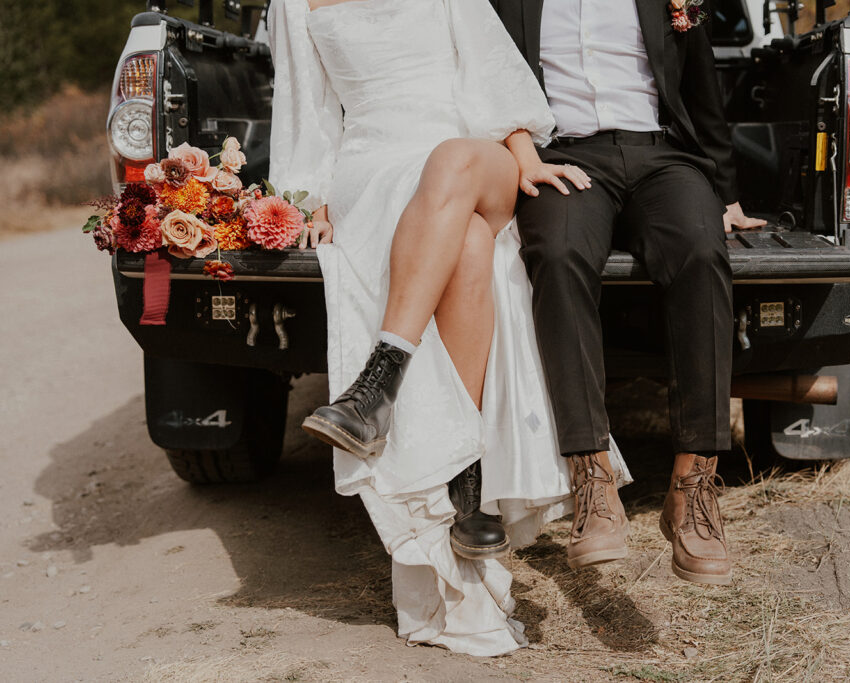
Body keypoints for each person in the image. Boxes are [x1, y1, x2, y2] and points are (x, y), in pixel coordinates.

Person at [267, 0, 629, 656]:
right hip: (371, 165)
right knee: (464, 245)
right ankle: (466, 485)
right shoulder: (293, 2)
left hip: (472, 154)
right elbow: (305, 109)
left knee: (451, 163)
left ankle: (378, 383)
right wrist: (308, 199)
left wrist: (524, 156)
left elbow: (491, 67)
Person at [488, 0, 767, 586]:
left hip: (661, 154)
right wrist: (519, 159)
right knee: (558, 257)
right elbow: (486, 75)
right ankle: (591, 481)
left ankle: (693, 490)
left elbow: (700, 85)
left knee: (700, 251)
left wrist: (726, 191)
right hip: (561, 156)